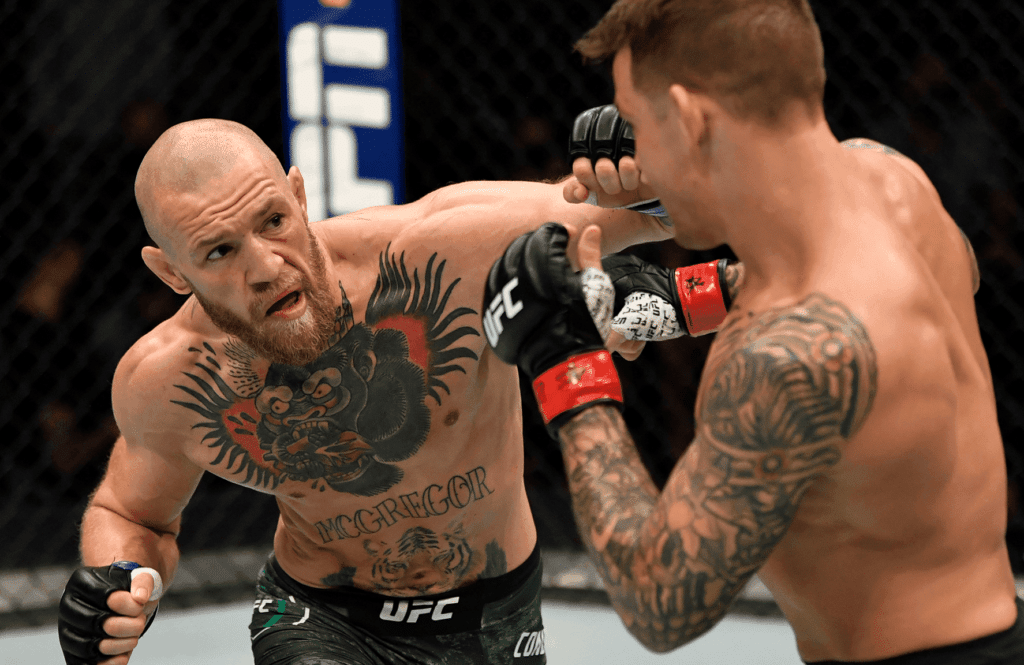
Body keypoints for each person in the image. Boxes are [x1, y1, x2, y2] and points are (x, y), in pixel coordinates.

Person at [484, 1, 1023, 663]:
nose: (636, 150)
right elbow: (932, 278)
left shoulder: (787, 360)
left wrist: (563, 358)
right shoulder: (893, 180)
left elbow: (658, 602)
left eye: (641, 125)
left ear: (691, 118)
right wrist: (678, 289)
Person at [53, 115, 685, 665]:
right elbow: (130, 513)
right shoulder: (168, 379)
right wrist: (120, 585)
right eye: (219, 251)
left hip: (498, 611)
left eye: (273, 220)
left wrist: (641, 167)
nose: (267, 267)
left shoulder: (443, 251)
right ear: (171, 272)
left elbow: (665, 206)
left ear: (299, 196)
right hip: (318, 618)